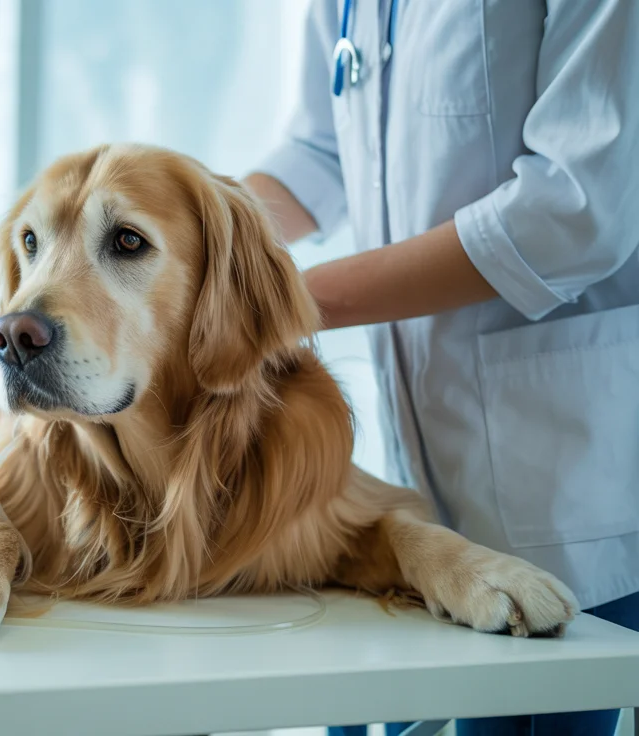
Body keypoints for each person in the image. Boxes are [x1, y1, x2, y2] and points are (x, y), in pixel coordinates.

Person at [241, 0, 639, 734]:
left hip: (566, 472)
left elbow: (574, 210)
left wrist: (281, 300)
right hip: (418, 467)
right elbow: (318, 150)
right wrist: (187, 228)